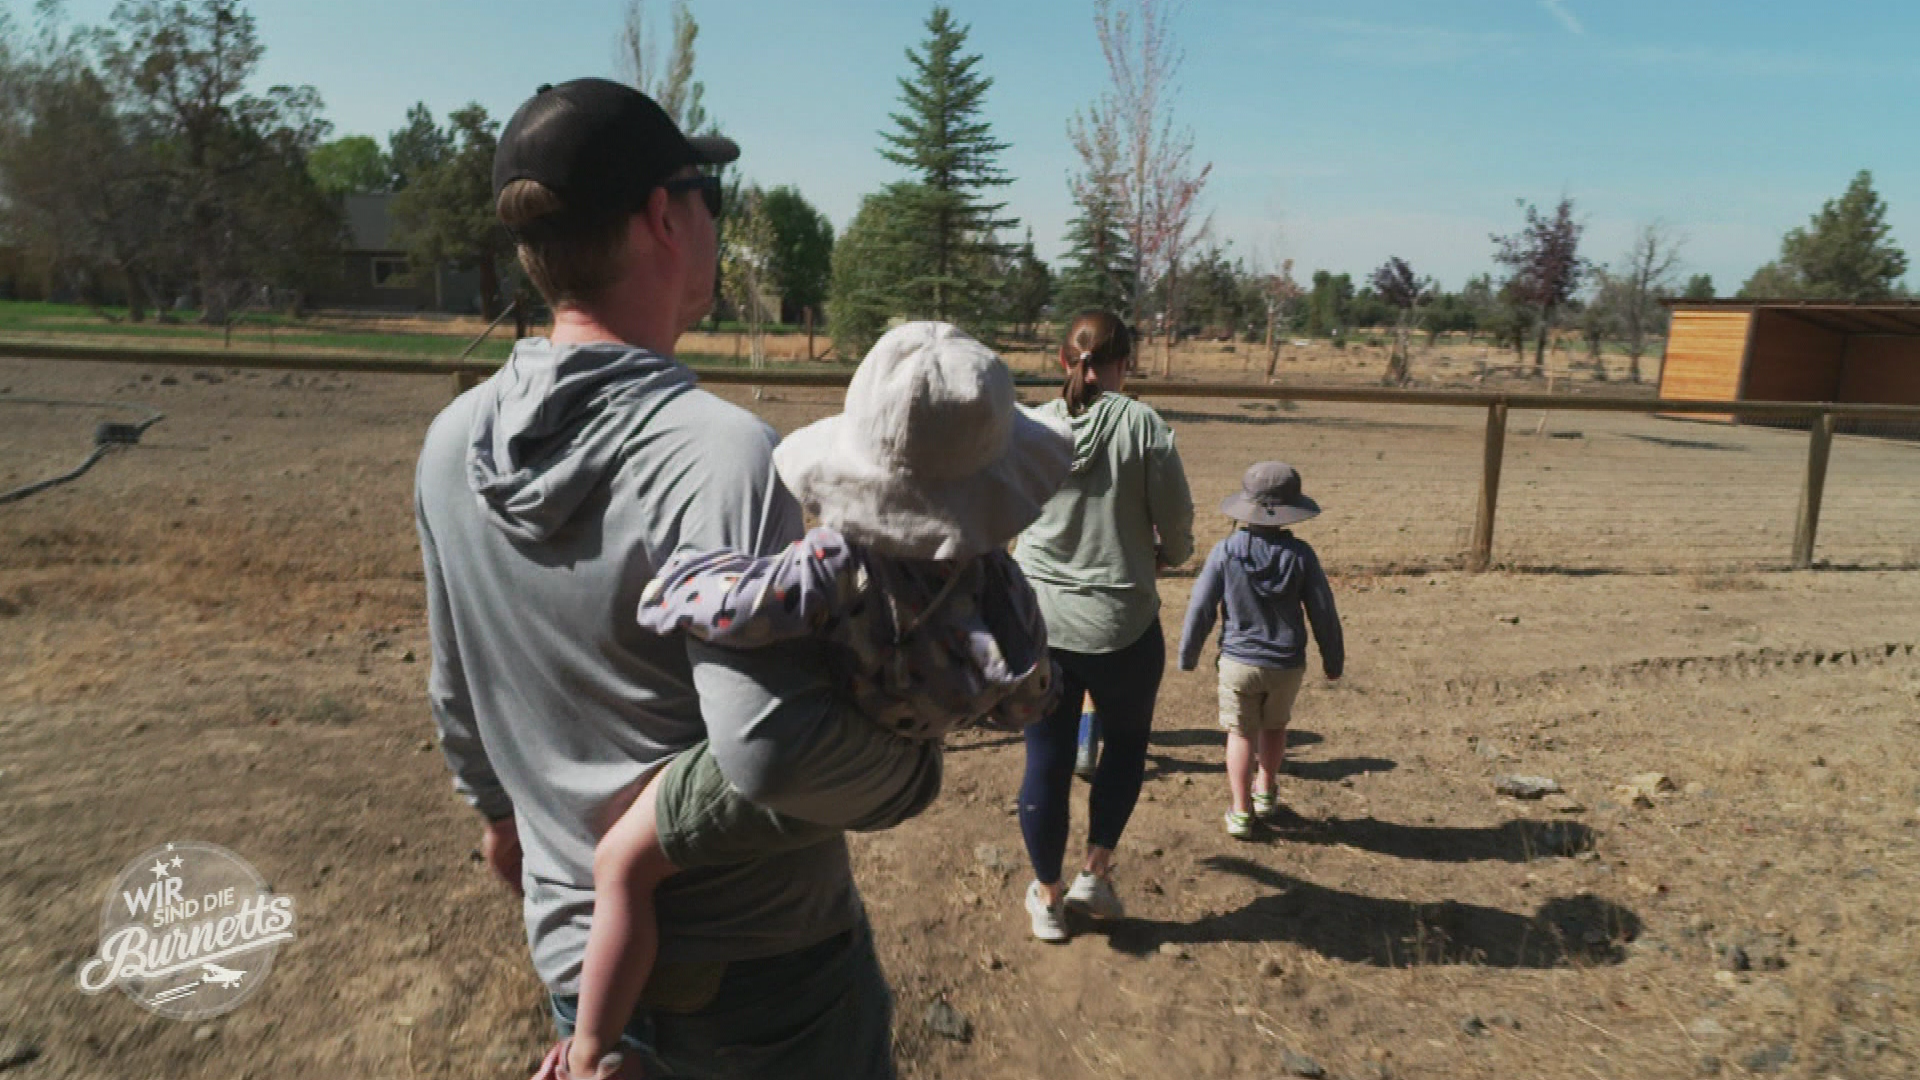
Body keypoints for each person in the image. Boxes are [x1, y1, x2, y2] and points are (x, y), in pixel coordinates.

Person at [414, 79, 941, 1080]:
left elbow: (455, 690)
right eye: (708, 194)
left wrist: (498, 819)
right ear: (665, 215)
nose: (712, 217)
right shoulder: (722, 455)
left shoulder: (449, 446)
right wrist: (909, 773)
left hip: (577, 957)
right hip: (764, 983)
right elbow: (775, 752)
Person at [562, 322, 1071, 1079]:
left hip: (818, 740)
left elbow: (747, 605)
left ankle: (591, 1049)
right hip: (897, 750)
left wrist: (677, 587)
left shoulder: (842, 564)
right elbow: (1028, 690)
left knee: (622, 865)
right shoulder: (999, 582)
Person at [1013, 310, 1194, 942]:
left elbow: (1001, 505)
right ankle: (1095, 872)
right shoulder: (1144, 426)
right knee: (1124, 747)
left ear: (1065, 360)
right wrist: (1170, 552)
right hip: (1124, 627)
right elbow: (1177, 528)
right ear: (1125, 364)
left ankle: (1048, 895)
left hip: (1040, 628)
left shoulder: (1031, 425)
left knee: (1046, 758)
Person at [1176, 462, 1345, 839]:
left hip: (1238, 662)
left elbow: (1201, 607)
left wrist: (1188, 654)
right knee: (1275, 727)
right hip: (1286, 663)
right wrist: (1333, 660)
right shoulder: (1302, 556)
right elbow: (1323, 612)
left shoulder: (1225, 551)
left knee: (1240, 734)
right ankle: (1266, 789)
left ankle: (1240, 811)